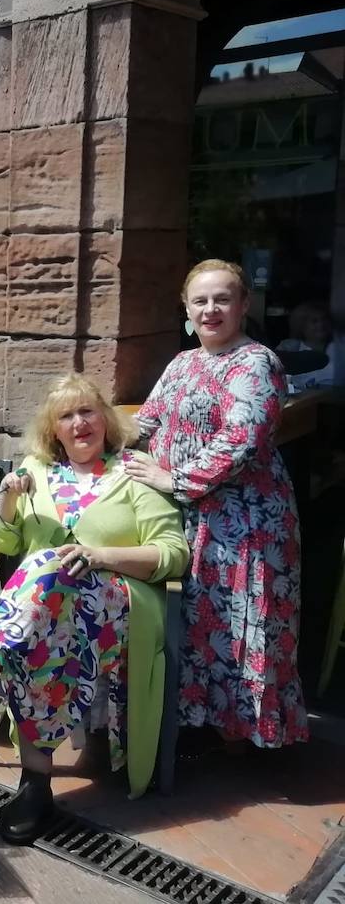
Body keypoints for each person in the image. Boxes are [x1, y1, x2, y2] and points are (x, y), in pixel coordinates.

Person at [0, 374, 189, 843]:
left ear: (104, 418)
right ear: (53, 429)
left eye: (87, 411)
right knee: (43, 627)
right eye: (66, 416)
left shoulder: (132, 470)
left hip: (121, 603)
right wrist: (8, 499)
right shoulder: (38, 471)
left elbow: (174, 553)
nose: (79, 424)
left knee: (50, 570)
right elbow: (1, 542)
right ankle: (33, 785)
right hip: (44, 615)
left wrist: (100, 556)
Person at [129, 259, 309, 750]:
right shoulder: (182, 362)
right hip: (187, 518)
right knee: (198, 622)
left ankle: (245, 733)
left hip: (245, 522)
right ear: (186, 308)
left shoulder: (257, 363)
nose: (211, 310)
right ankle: (200, 724)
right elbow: (145, 422)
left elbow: (240, 440)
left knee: (241, 622)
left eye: (222, 299)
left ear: (244, 305)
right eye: (200, 300)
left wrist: (172, 478)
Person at [277, 300, 338, 389]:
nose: (321, 324)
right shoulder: (289, 347)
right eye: (314, 321)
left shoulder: (338, 348)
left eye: (324, 319)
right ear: (302, 325)